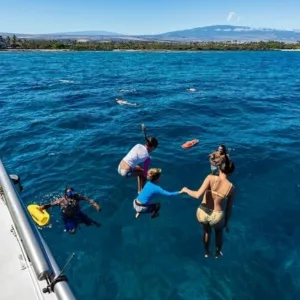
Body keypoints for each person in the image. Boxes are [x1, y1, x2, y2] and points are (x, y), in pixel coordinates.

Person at [181, 156, 235, 258]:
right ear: (231, 172)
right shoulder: (231, 188)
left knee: (206, 232)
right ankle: (218, 253)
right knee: (218, 234)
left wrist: (186, 190)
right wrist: (227, 223)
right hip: (216, 216)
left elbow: (197, 195)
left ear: (219, 168)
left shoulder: (210, 178)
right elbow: (229, 208)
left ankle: (206, 252)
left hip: (202, 212)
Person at [118, 124, 158, 193]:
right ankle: (140, 191)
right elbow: (145, 173)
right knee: (143, 173)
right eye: (154, 149)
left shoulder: (138, 145)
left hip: (119, 167)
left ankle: (140, 190)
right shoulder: (147, 157)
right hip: (125, 172)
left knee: (140, 167)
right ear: (152, 148)